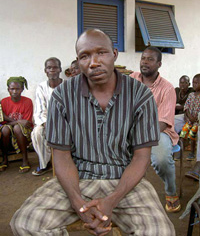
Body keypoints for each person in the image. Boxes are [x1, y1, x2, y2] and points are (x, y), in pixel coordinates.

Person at [10, 29, 175, 236]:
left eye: (101, 53)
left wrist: (112, 200)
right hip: (76, 179)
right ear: (78, 62)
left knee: (160, 232)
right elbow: (61, 156)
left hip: (124, 180)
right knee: (24, 224)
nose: (93, 62)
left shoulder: (140, 95)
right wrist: (77, 202)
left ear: (114, 54)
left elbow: (141, 158)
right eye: (84, 56)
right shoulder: (62, 96)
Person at [130, 46, 181, 213]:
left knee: (161, 159)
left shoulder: (167, 88)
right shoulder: (131, 80)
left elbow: (164, 122)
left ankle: (171, 191)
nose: (145, 61)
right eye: (143, 58)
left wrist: (140, 136)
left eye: (150, 59)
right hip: (133, 129)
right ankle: (129, 191)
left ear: (159, 64)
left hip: (158, 131)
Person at [31, 57, 63, 176]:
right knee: (37, 133)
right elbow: (40, 110)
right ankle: (45, 164)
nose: (52, 70)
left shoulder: (67, 85)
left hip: (64, 121)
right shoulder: (41, 87)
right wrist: (47, 125)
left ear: (60, 69)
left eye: (55, 67)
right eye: (49, 68)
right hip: (47, 123)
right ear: (45, 70)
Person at [0, 76, 33, 173]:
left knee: (18, 128)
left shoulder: (27, 102)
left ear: (22, 89)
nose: (15, 91)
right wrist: (18, 121)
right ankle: (4, 159)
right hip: (9, 128)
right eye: (12, 89)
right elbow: (3, 121)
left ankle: (25, 160)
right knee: (5, 129)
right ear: (8, 89)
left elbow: (26, 123)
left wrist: (15, 123)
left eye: (17, 89)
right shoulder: (4, 102)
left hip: (24, 132)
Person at [179, 74, 200, 162]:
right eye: (193, 83)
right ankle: (180, 151)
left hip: (196, 121)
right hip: (189, 119)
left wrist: (195, 117)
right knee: (183, 134)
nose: (194, 85)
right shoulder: (191, 95)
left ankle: (192, 152)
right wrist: (189, 116)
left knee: (193, 136)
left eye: (196, 83)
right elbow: (186, 107)